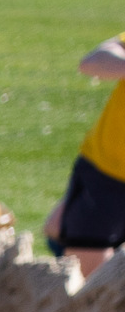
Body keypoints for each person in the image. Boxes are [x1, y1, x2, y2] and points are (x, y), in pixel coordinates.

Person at [45, 31, 125, 280]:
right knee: (58, 232)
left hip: (110, 177)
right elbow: (93, 61)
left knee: (91, 283)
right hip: (105, 169)